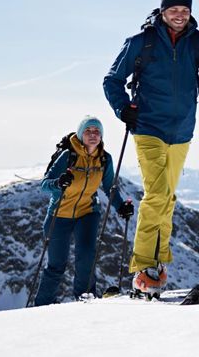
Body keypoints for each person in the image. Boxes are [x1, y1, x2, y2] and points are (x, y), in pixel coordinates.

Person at [103, 0, 199, 292]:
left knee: (168, 198)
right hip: (148, 127)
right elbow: (112, 80)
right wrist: (123, 108)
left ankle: (158, 262)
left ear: (190, 13)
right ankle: (143, 268)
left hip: (181, 132)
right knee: (157, 194)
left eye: (185, 11)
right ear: (163, 12)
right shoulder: (142, 42)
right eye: (174, 10)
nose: (179, 16)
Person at [33, 115, 134, 306]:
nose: (93, 135)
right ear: (80, 135)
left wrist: (121, 206)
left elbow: (110, 187)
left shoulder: (104, 159)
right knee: (56, 265)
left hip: (87, 212)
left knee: (86, 258)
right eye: (88, 131)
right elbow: (45, 185)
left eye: (97, 131)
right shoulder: (68, 156)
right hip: (59, 214)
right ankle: (42, 306)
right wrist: (58, 182)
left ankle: (85, 301)